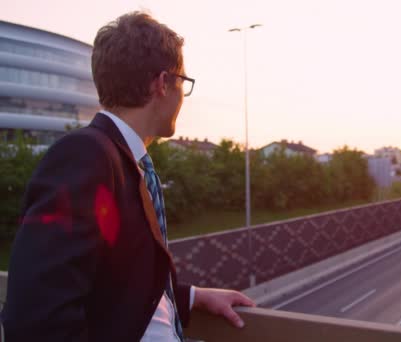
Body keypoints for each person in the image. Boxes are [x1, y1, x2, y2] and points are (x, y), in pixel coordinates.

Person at [1, 12, 255, 341]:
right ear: (162, 83)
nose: (182, 96)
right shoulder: (84, 157)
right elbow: (35, 317)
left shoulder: (123, 160)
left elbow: (112, 284)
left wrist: (190, 297)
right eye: (183, 82)